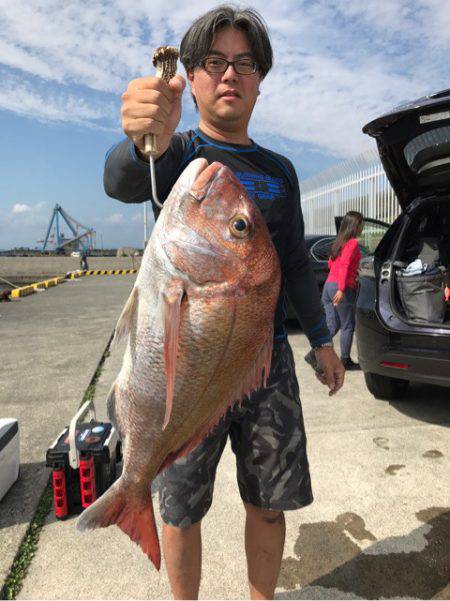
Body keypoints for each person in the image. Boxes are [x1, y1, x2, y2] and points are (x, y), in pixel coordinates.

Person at [104, 6, 345, 599]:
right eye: (214, 62)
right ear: (191, 75)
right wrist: (141, 140)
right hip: (186, 365)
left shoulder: (280, 171)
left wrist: (322, 343)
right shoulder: (174, 153)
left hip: (265, 361)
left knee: (270, 503)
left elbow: (292, 265)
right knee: (181, 509)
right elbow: (120, 180)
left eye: (244, 63)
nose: (230, 74)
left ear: (261, 78)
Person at [306, 211, 363, 372]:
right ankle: (345, 360)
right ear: (354, 226)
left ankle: (313, 354)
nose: (362, 228)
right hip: (341, 288)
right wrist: (342, 288)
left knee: (332, 326)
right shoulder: (352, 243)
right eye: (361, 224)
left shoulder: (339, 242)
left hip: (328, 287)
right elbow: (344, 265)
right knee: (348, 325)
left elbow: (331, 265)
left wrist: (350, 273)